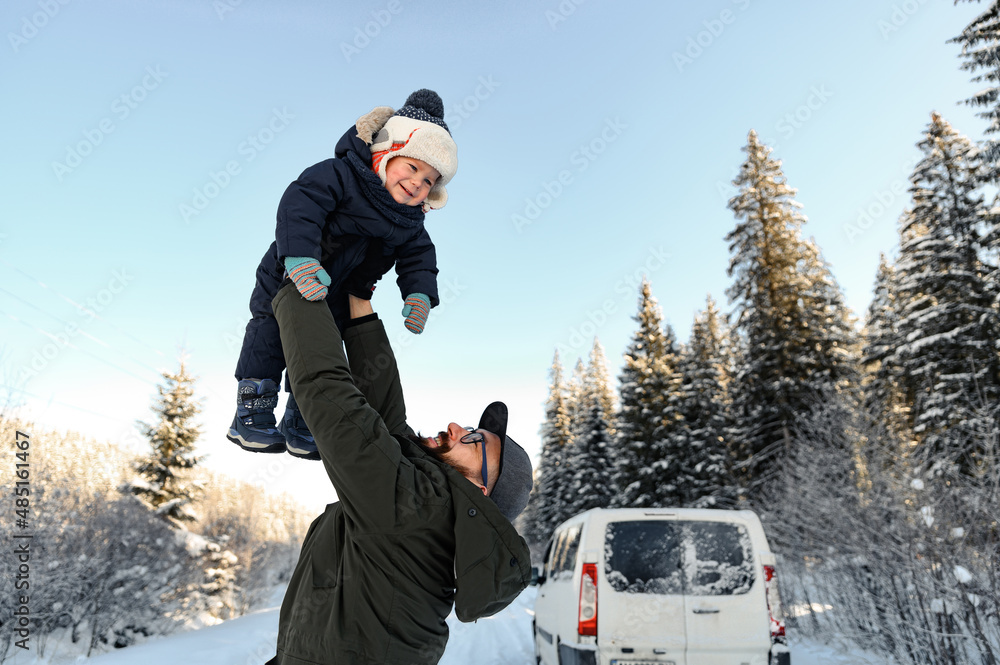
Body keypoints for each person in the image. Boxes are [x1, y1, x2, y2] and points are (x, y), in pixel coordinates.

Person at [265, 282, 533, 665]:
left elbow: (331, 398)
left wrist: (299, 288)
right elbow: (389, 422)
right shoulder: (432, 501)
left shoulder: (419, 508)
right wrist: (360, 301)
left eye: (473, 441)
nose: (457, 426)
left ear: (480, 489)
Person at [228, 89, 458, 460]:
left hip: (338, 294)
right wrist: (301, 257)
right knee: (270, 333)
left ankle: (301, 419)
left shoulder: (410, 222)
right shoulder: (342, 176)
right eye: (412, 167)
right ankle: (252, 411)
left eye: (430, 180)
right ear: (384, 154)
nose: (419, 182)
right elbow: (301, 203)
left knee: (322, 353)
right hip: (290, 274)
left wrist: (419, 295)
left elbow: (419, 258)